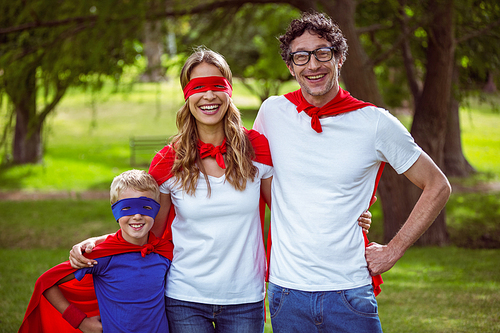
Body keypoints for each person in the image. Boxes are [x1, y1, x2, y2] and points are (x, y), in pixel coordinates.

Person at [68, 47, 373, 333]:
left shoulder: (257, 149)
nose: (209, 96)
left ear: (229, 90)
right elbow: (148, 232)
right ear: (187, 96)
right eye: (198, 87)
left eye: (216, 85)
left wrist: (348, 212)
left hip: (245, 297)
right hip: (185, 296)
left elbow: (290, 206)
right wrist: (99, 243)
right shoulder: (168, 160)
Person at [253, 11, 452, 332]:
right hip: (286, 290)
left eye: (322, 53)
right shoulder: (272, 113)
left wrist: (393, 249)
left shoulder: (374, 122)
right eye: (301, 57)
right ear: (290, 67)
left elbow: (437, 185)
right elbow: (262, 181)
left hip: (349, 290)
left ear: (339, 58)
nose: (313, 65)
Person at [19, 170, 173, 333]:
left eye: (146, 207)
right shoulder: (103, 255)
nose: (137, 216)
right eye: (126, 207)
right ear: (115, 211)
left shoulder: (164, 251)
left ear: (156, 209)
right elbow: (46, 282)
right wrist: (80, 322)